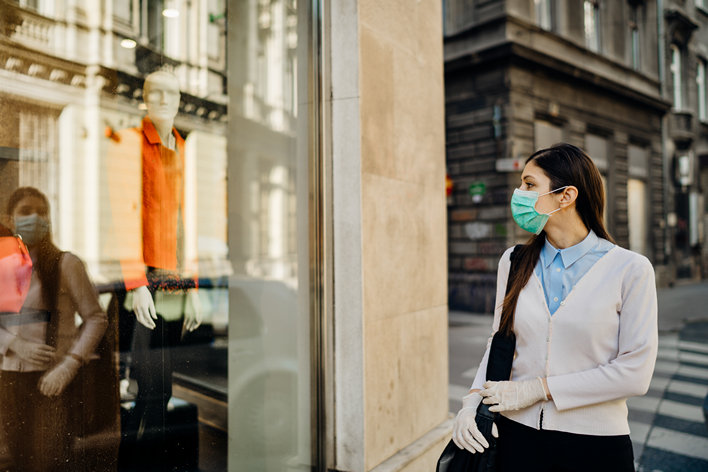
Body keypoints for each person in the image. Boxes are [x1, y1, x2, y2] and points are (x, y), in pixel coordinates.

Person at [452, 143, 658, 472]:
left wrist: (539, 390)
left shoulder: (630, 269)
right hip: (515, 438)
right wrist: (473, 398)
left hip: (594, 445)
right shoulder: (514, 260)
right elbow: (499, 340)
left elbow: (635, 374)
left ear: (566, 196)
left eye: (529, 184)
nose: (519, 193)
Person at [0, 186, 108, 471]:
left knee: (50, 461)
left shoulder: (66, 264)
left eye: (42, 212)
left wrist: (69, 365)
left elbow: (96, 318)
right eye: (25, 212)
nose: (35, 218)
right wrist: (15, 344)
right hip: (9, 380)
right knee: (19, 460)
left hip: (53, 383)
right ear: (10, 219)